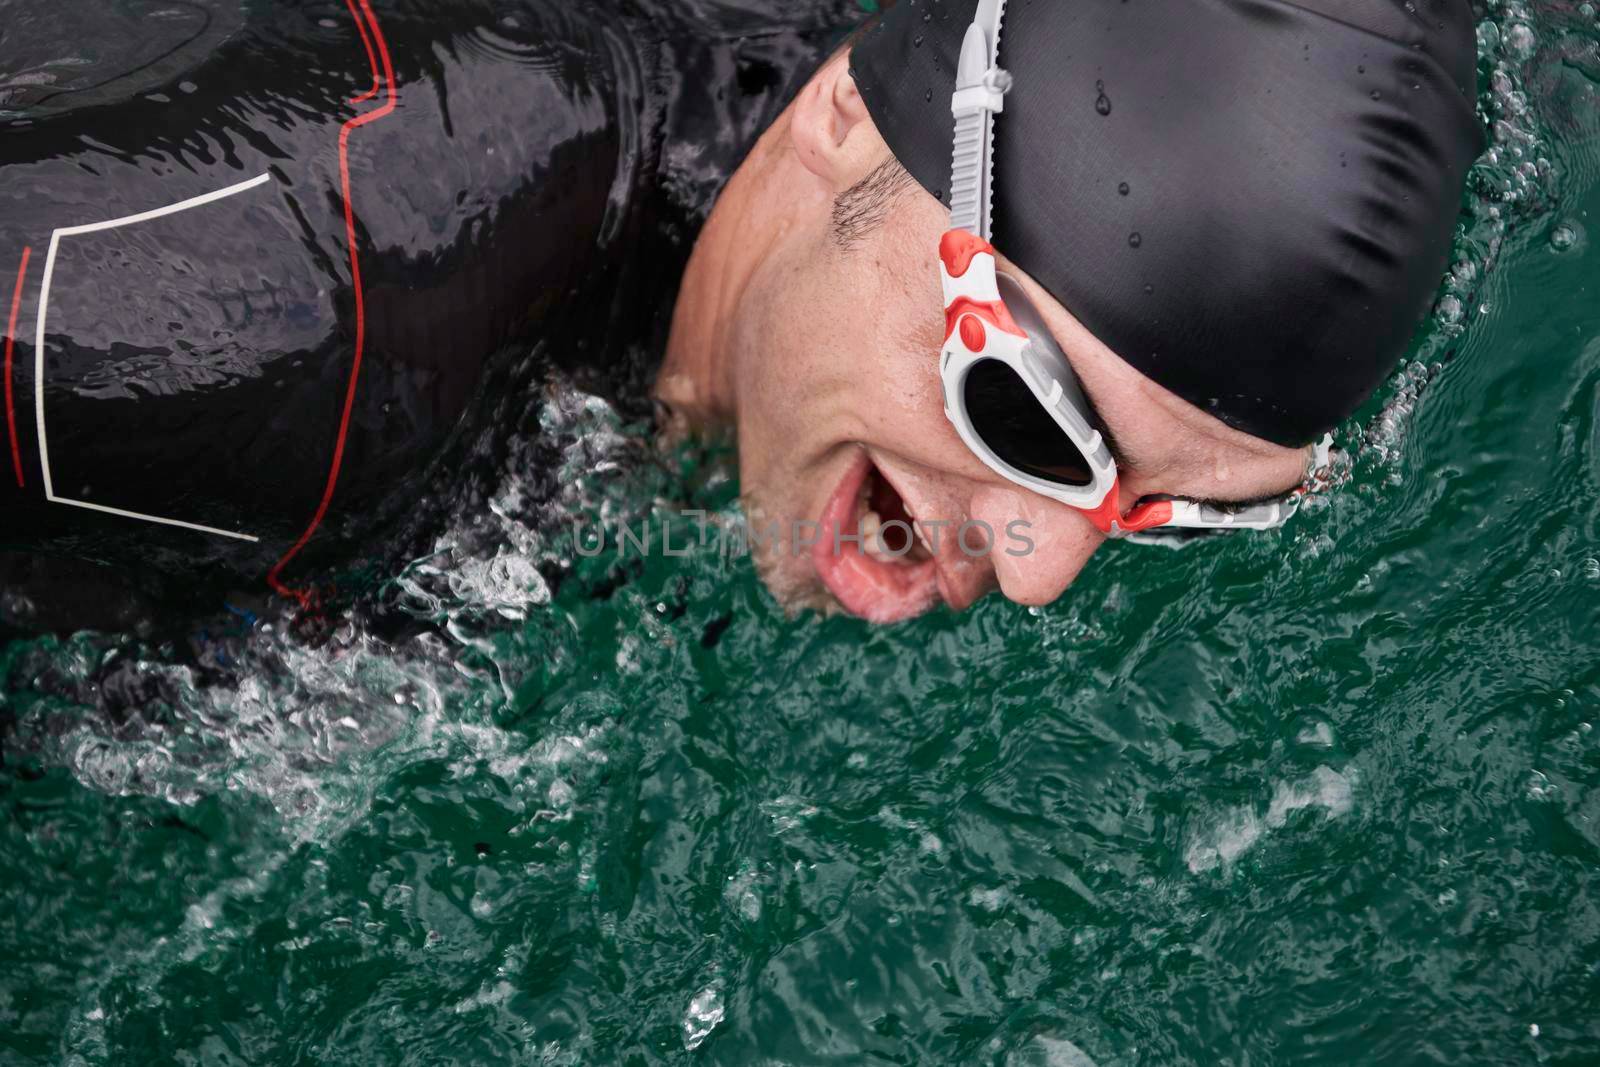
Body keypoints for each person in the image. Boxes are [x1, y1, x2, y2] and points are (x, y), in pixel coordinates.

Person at [1, 0, 1481, 629]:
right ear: (846, 118)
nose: (1041, 578)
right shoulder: (273, 310)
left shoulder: (836, 178)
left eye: (1174, 513)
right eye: (1025, 411)